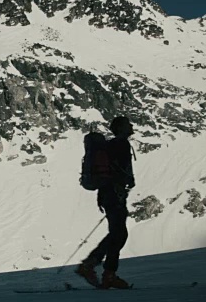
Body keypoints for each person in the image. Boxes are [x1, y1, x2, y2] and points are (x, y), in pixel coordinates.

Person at [76, 116, 135, 289]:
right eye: (128, 125)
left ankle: (104, 271)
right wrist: (127, 182)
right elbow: (121, 170)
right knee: (119, 233)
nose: (131, 127)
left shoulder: (110, 145)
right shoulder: (121, 144)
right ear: (122, 128)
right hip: (114, 194)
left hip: (107, 194)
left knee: (117, 233)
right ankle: (95, 267)